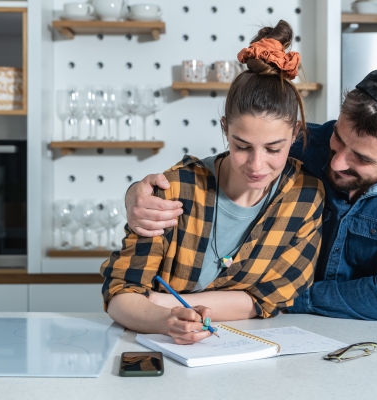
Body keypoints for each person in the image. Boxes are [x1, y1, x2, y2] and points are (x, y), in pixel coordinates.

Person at [124, 66, 377, 321]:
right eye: (339, 138)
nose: (338, 161)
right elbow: (216, 169)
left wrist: (276, 296)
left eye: (361, 158)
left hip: (360, 332)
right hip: (269, 324)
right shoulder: (300, 144)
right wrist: (135, 194)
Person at [101, 20, 325, 344]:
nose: (256, 165)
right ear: (225, 129)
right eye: (242, 146)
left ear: (296, 134)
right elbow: (121, 294)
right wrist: (166, 320)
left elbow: (272, 298)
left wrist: (162, 300)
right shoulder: (176, 189)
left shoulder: (306, 196)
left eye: (274, 149)